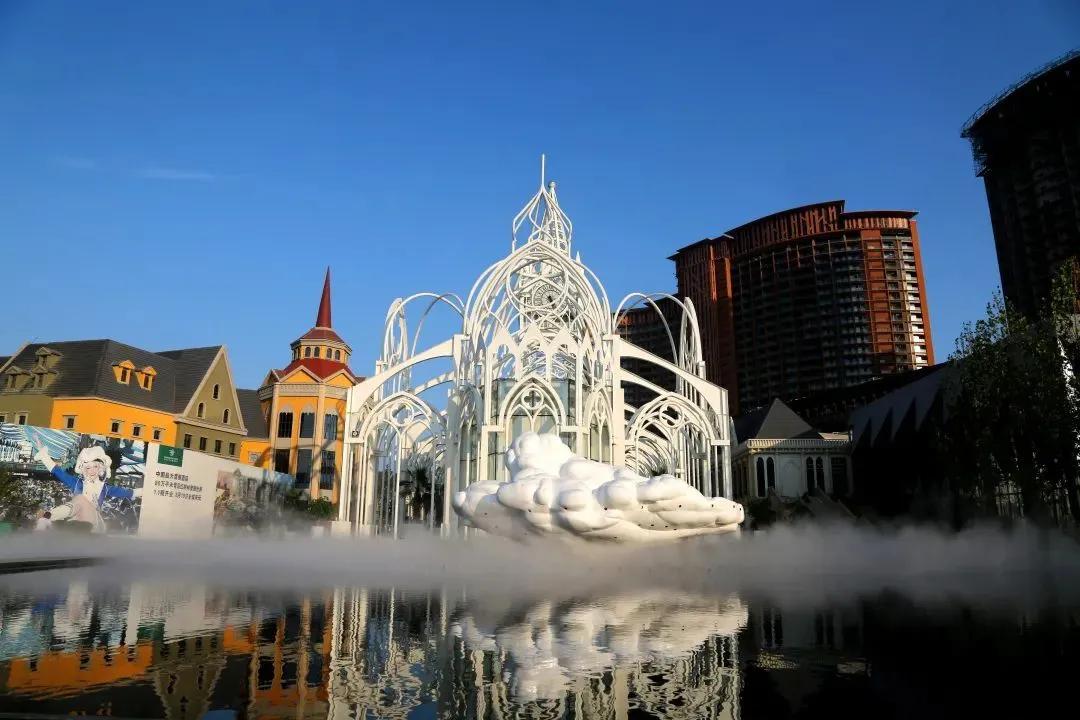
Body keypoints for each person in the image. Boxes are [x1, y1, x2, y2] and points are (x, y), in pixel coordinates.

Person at [33, 440, 142, 534]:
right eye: (88, 468)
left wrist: (146, 491)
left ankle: (48, 516)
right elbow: (59, 473)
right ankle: (47, 517)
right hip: (77, 520)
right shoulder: (77, 483)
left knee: (80, 500)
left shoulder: (104, 487)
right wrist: (44, 456)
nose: (92, 471)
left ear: (101, 468)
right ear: (83, 469)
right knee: (78, 502)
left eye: (95, 466)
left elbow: (125, 492)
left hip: (94, 523)